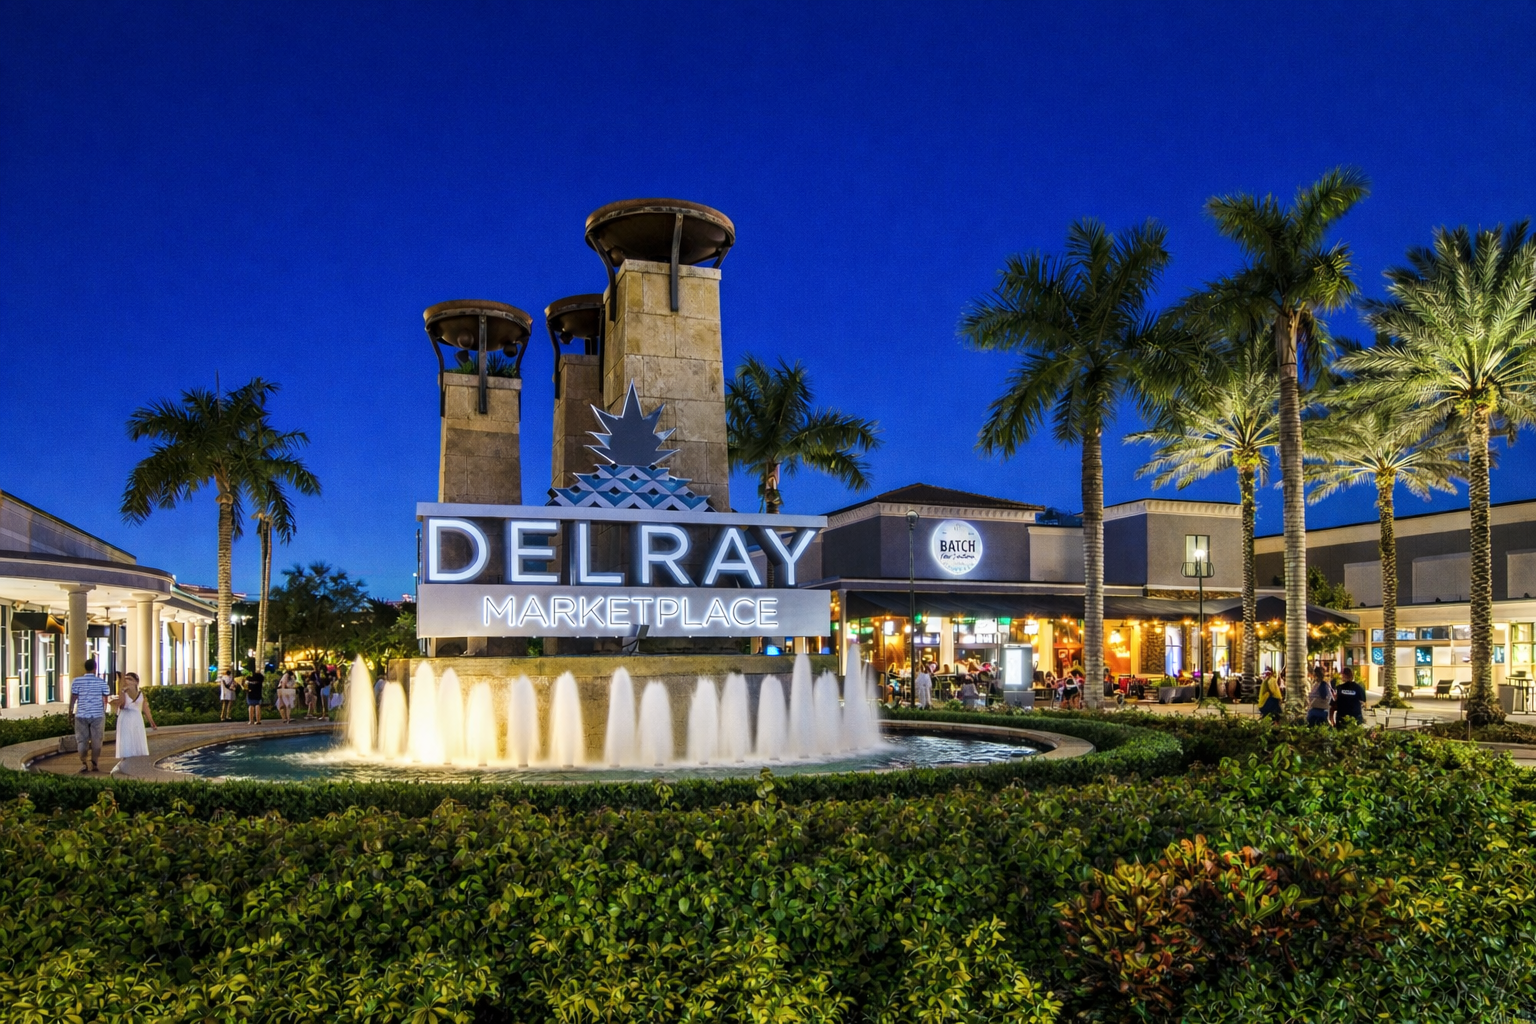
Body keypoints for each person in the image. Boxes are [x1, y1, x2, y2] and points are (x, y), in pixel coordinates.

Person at [68, 657, 112, 772]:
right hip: (97, 715)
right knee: (97, 740)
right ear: (95, 668)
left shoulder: (76, 681)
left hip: (81, 715)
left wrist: (70, 712)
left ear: (85, 668)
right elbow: (105, 697)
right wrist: (104, 709)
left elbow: (73, 698)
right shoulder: (101, 682)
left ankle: (84, 762)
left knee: (82, 740)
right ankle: (95, 762)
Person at [111, 672, 157, 758]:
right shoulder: (123, 692)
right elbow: (122, 705)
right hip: (125, 718)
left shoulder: (141, 694)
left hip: (136, 719)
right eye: (126, 679)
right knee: (127, 739)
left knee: (137, 738)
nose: (127, 681)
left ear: (136, 682)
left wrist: (151, 722)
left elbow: (145, 708)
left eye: (130, 679)